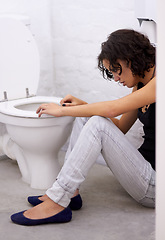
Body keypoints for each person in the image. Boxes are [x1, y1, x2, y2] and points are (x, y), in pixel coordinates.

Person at [11, 29, 156, 226]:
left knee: (95, 119)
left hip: (155, 187)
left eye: (116, 69)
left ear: (130, 58)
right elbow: (121, 126)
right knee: (87, 117)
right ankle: (70, 193)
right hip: (143, 168)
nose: (115, 78)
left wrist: (62, 111)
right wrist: (82, 106)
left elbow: (112, 109)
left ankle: (57, 201)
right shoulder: (140, 84)